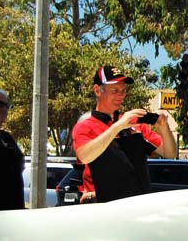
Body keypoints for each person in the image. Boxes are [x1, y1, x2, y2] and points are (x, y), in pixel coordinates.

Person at [72, 65, 176, 202]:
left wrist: (164, 127)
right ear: (97, 90)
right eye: (114, 90)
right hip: (104, 208)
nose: (121, 95)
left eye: (123, 90)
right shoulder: (85, 127)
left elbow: (170, 153)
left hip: (139, 206)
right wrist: (117, 126)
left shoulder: (134, 124)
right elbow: (84, 156)